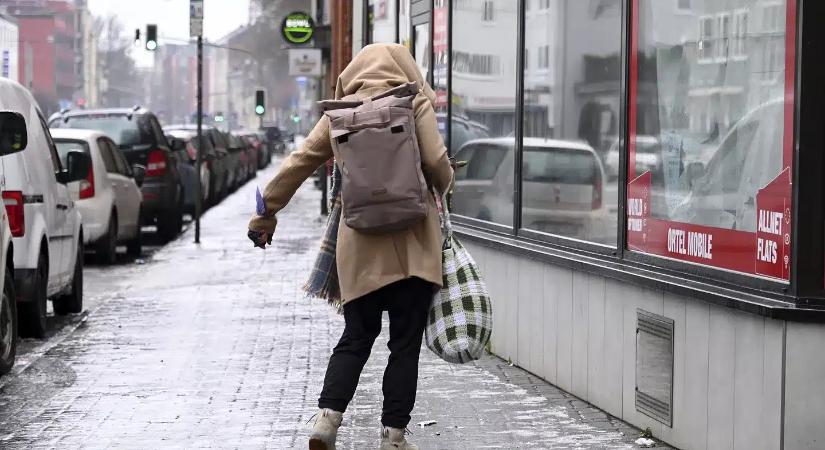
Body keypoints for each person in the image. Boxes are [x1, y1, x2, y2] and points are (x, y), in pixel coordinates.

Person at [248, 43, 453, 450]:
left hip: (360, 244)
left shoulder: (339, 115)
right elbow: (436, 162)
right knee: (404, 343)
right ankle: (393, 436)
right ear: (406, 68)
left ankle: (326, 421)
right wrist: (446, 185)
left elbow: (300, 159)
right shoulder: (413, 104)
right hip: (414, 245)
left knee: (357, 335)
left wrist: (266, 211)